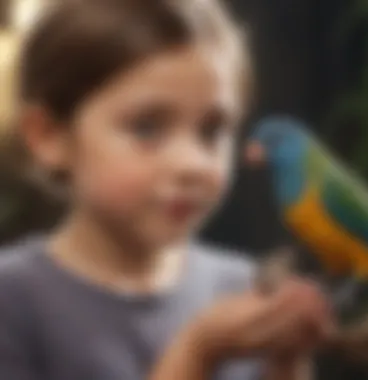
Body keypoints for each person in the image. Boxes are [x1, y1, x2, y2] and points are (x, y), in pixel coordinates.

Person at [0, 0, 334, 379]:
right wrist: (197, 351)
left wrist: (286, 359)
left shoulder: (241, 285)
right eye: (146, 128)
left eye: (211, 132)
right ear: (49, 136)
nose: (193, 164)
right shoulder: (13, 301)